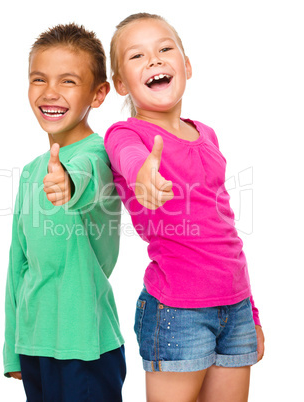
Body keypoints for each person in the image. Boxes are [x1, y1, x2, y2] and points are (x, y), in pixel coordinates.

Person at [104, 12, 265, 402]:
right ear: (121, 84)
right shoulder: (128, 133)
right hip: (178, 312)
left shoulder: (206, 133)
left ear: (186, 65)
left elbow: (223, 229)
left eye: (164, 49)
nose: (154, 60)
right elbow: (127, 157)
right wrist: (143, 173)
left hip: (235, 306)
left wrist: (252, 311)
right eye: (137, 56)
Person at [3, 23, 126, 402]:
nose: (50, 92)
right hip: (35, 345)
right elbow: (18, 264)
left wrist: (69, 184)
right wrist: (14, 346)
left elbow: (87, 180)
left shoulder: (101, 155)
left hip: (85, 346)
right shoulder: (30, 172)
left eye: (68, 81)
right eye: (39, 79)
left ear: (98, 93)